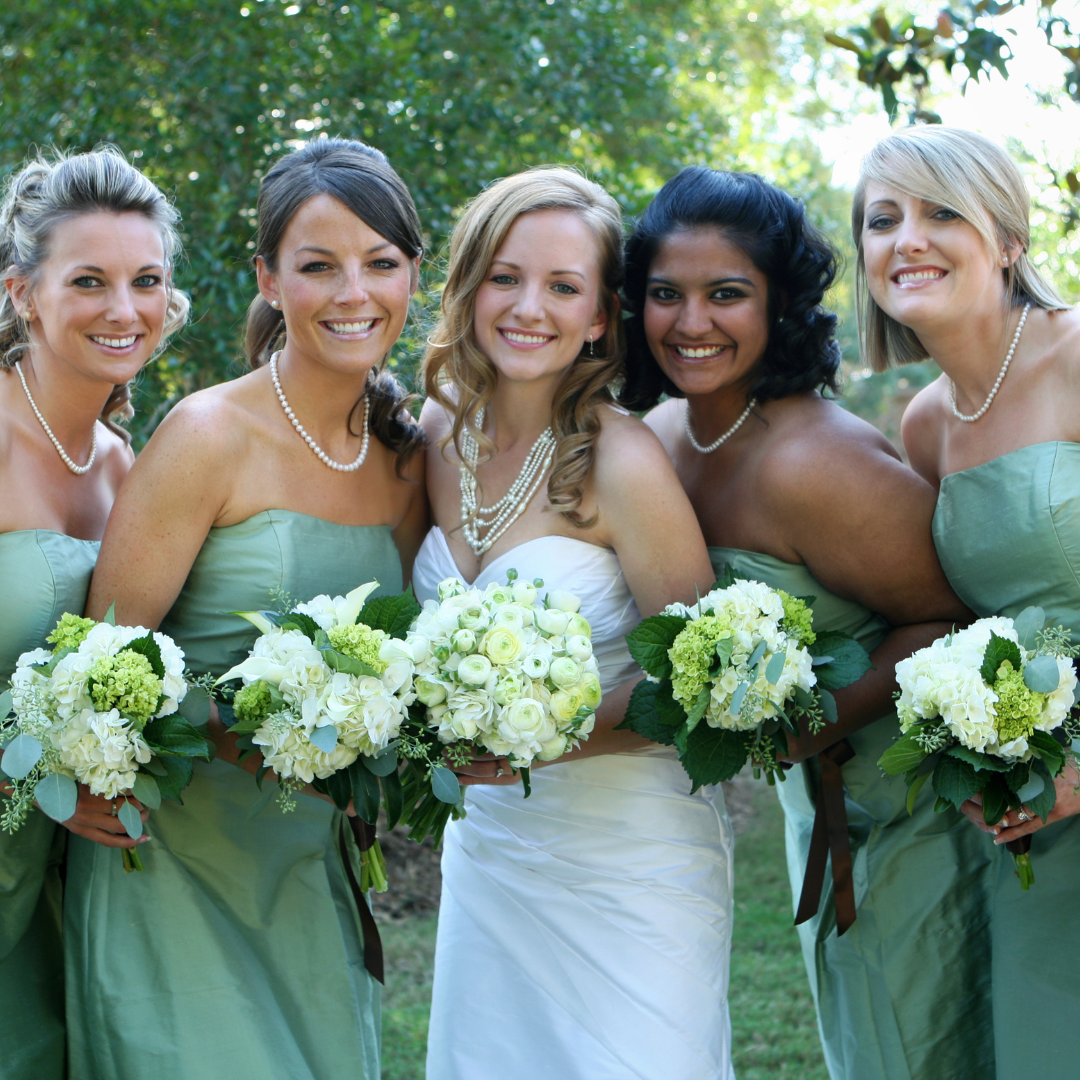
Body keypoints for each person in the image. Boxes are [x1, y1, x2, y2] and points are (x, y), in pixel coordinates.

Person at [67, 137, 428, 1080]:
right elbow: (103, 669)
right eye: (318, 266)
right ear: (269, 279)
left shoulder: (407, 456)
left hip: (311, 871)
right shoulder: (206, 434)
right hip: (173, 867)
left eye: (380, 264)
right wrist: (249, 725)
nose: (354, 292)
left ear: (413, 274)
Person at [623, 166, 979, 1080]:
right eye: (666, 294)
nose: (690, 322)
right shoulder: (660, 436)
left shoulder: (818, 461)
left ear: (779, 303)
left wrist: (803, 726)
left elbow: (947, 620)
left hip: (911, 813)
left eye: (726, 294)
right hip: (816, 813)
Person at [415, 166, 732, 1080]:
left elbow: (697, 680)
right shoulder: (434, 436)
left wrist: (542, 739)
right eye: (506, 277)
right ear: (472, 286)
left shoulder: (621, 457)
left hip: (629, 853)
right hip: (494, 850)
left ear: (600, 315)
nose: (529, 307)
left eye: (563, 286)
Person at [856, 125, 1080, 1080]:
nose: (908, 238)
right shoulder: (925, 424)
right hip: (1034, 804)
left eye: (941, 212)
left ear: (1009, 239)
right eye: (883, 219)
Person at [0, 147, 188, 1080]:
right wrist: (34, 778)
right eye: (89, 281)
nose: (124, 309)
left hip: (69, 884)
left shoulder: (131, 467)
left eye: (145, 280)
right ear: (24, 293)